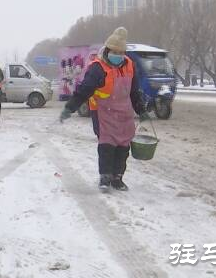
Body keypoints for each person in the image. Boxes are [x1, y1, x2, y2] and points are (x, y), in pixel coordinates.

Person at [60, 27, 149, 192]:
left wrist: (141, 109)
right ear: (107, 50)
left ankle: (117, 178)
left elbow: (134, 91)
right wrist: (69, 107)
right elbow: (84, 89)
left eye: (121, 52)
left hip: (124, 114)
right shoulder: (97, 68)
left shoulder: (129, 65)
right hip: (104, 113)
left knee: (123, 147)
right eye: (115, 52)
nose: (118, 55)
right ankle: (105, 177)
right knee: (107, 146)